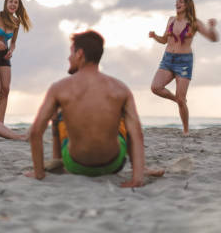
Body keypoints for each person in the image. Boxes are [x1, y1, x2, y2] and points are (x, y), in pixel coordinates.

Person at [26, 30, 162, 188]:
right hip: (114, 164)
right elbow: (137, 133)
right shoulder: (120, 89)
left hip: (75, 165)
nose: (68, 58)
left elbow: (36, 132)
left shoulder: (59, 88)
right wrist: (137, 179)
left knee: (59, 115)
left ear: (80, 54)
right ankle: (141, 169)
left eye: (71, 53)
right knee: (125, 121)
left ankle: (59, 162)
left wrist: (38, 173)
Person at [149, 0, 218, 136]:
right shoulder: (171, 20)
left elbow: (213, 38)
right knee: (155, 87)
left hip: (184, 62)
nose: (177, 4)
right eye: (176, 1)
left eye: (180, 2)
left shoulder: (195, 23)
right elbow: (164, 40)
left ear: (187, 5)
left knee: (182, 99)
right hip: (167, 59)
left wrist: (212, 28)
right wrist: (155, 36)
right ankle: (178, 100)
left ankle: (186, 130)